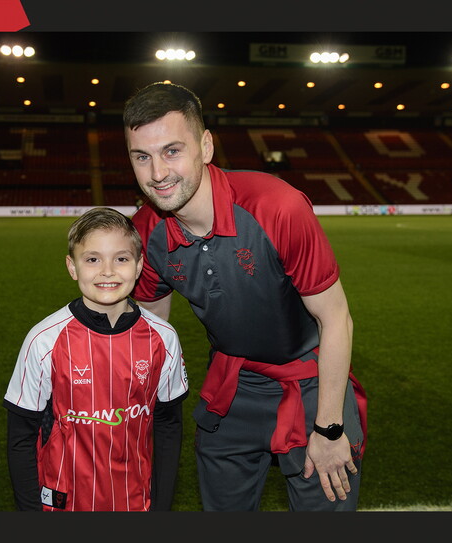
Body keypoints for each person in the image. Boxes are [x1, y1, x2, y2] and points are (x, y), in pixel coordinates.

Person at [123, 82, 367, 511]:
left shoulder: (277, 207)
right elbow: (151, 336)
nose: (157, 173)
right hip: (232, 390)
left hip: (313, 386)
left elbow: (336, 319)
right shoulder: (147, 230)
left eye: (172, 151)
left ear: (206, 146)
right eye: (141, 156)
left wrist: (329, 429)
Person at [3, 207, 189, 511]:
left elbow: (168, 427)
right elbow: (21, 437)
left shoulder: (163, 339)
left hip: (136, 503)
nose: (107, 271)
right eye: (92, 259)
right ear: (72, 267)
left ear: (140, 265)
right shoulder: (44, 340)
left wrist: (161, 508)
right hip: (62, 504)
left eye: (121, 258)